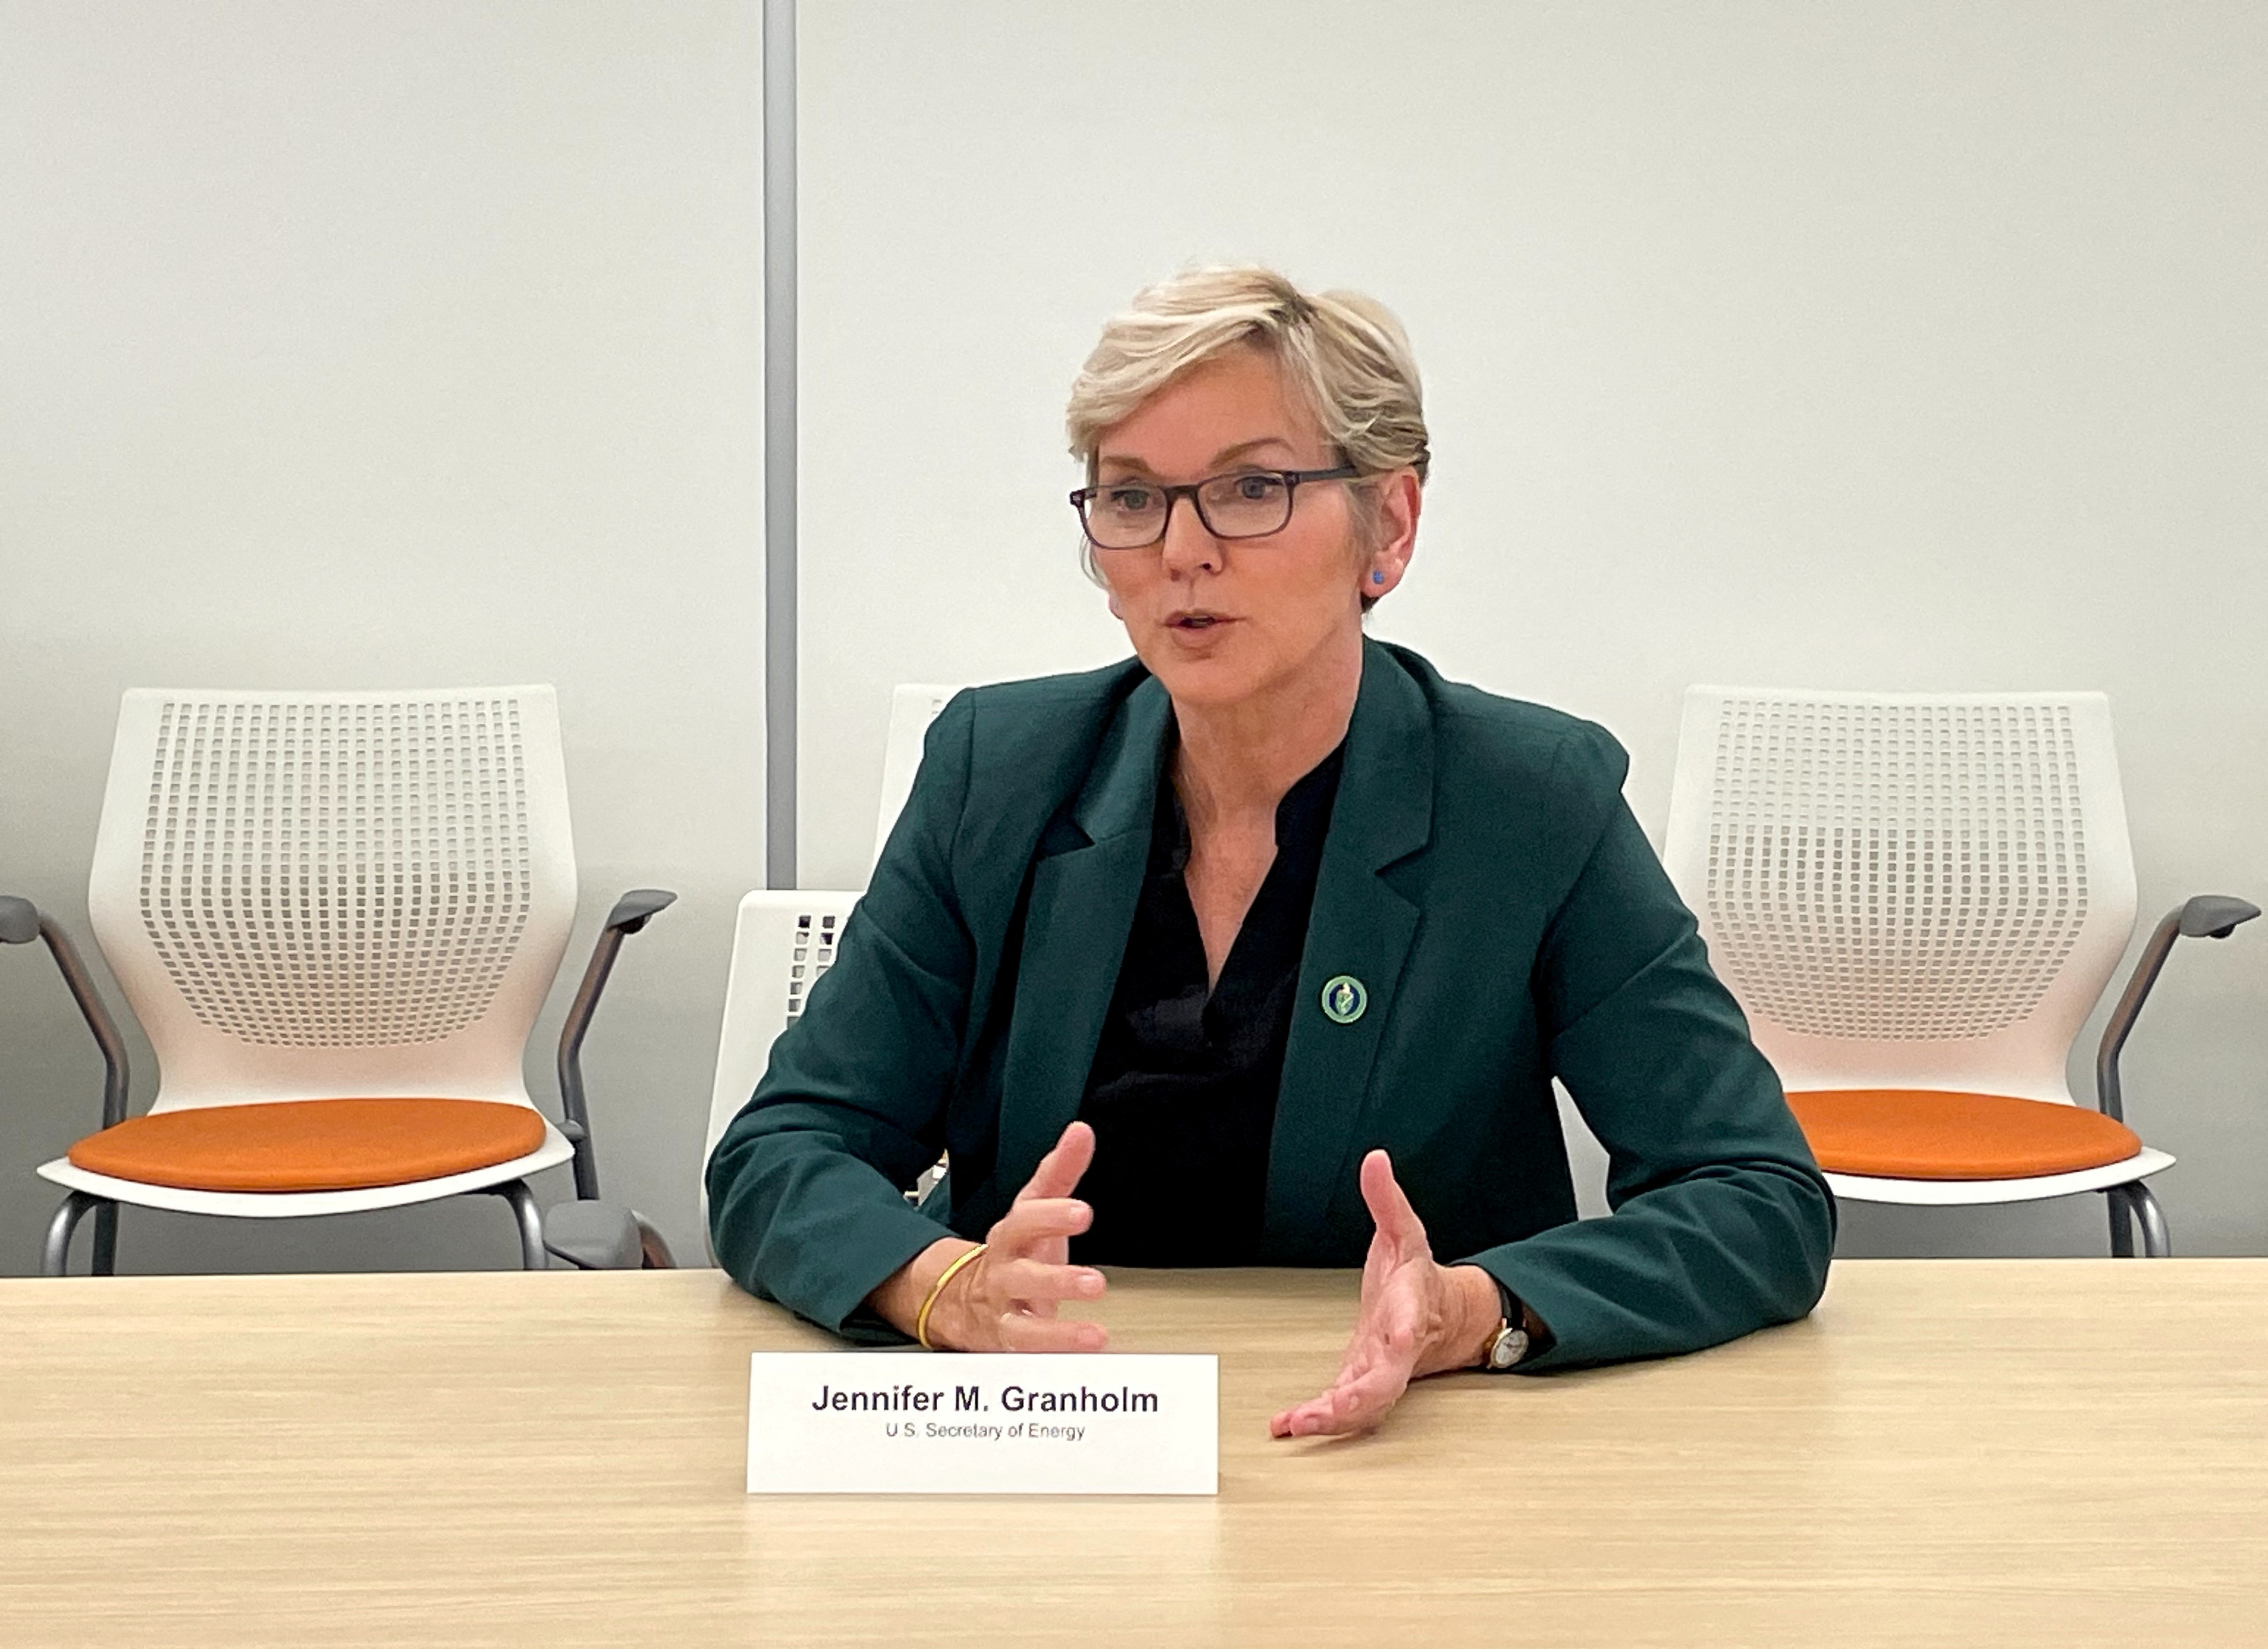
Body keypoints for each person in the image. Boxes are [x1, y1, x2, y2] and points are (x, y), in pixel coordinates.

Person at [708, 266, 1833, 1439]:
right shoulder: (999, 767)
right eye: (1133, 499)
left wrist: (1477, 1310)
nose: (1182, 550)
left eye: (1251, 488)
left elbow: (1754, 1197)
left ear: (1385, 528)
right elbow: (779, 1152)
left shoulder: (1530, 801)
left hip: (1407, 1449)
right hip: (1055, 1424)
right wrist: (941, 1288)